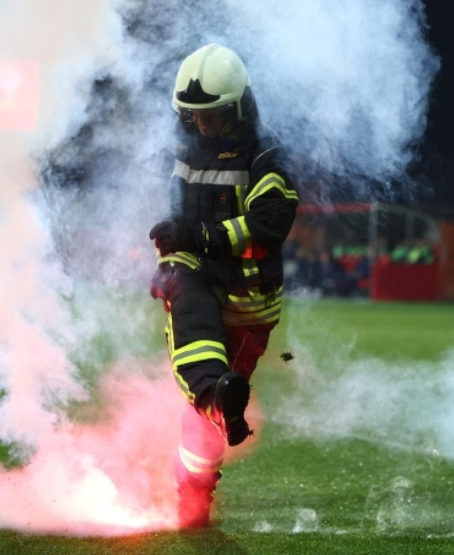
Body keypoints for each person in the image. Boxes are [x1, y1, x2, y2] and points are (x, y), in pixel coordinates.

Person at [148, 44, 299, 529]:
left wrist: (197, 235)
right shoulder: (186, 147)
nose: (200, 124)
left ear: (237, 107)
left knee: (203, 425)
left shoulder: (265, 156)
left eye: (210, 115)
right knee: (182, 292)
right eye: (192, 115)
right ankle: (215, 398)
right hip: (202, 278)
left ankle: (194, 500)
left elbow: (272, 222)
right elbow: (182, 212)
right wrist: (171, 245)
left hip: (248, 302)